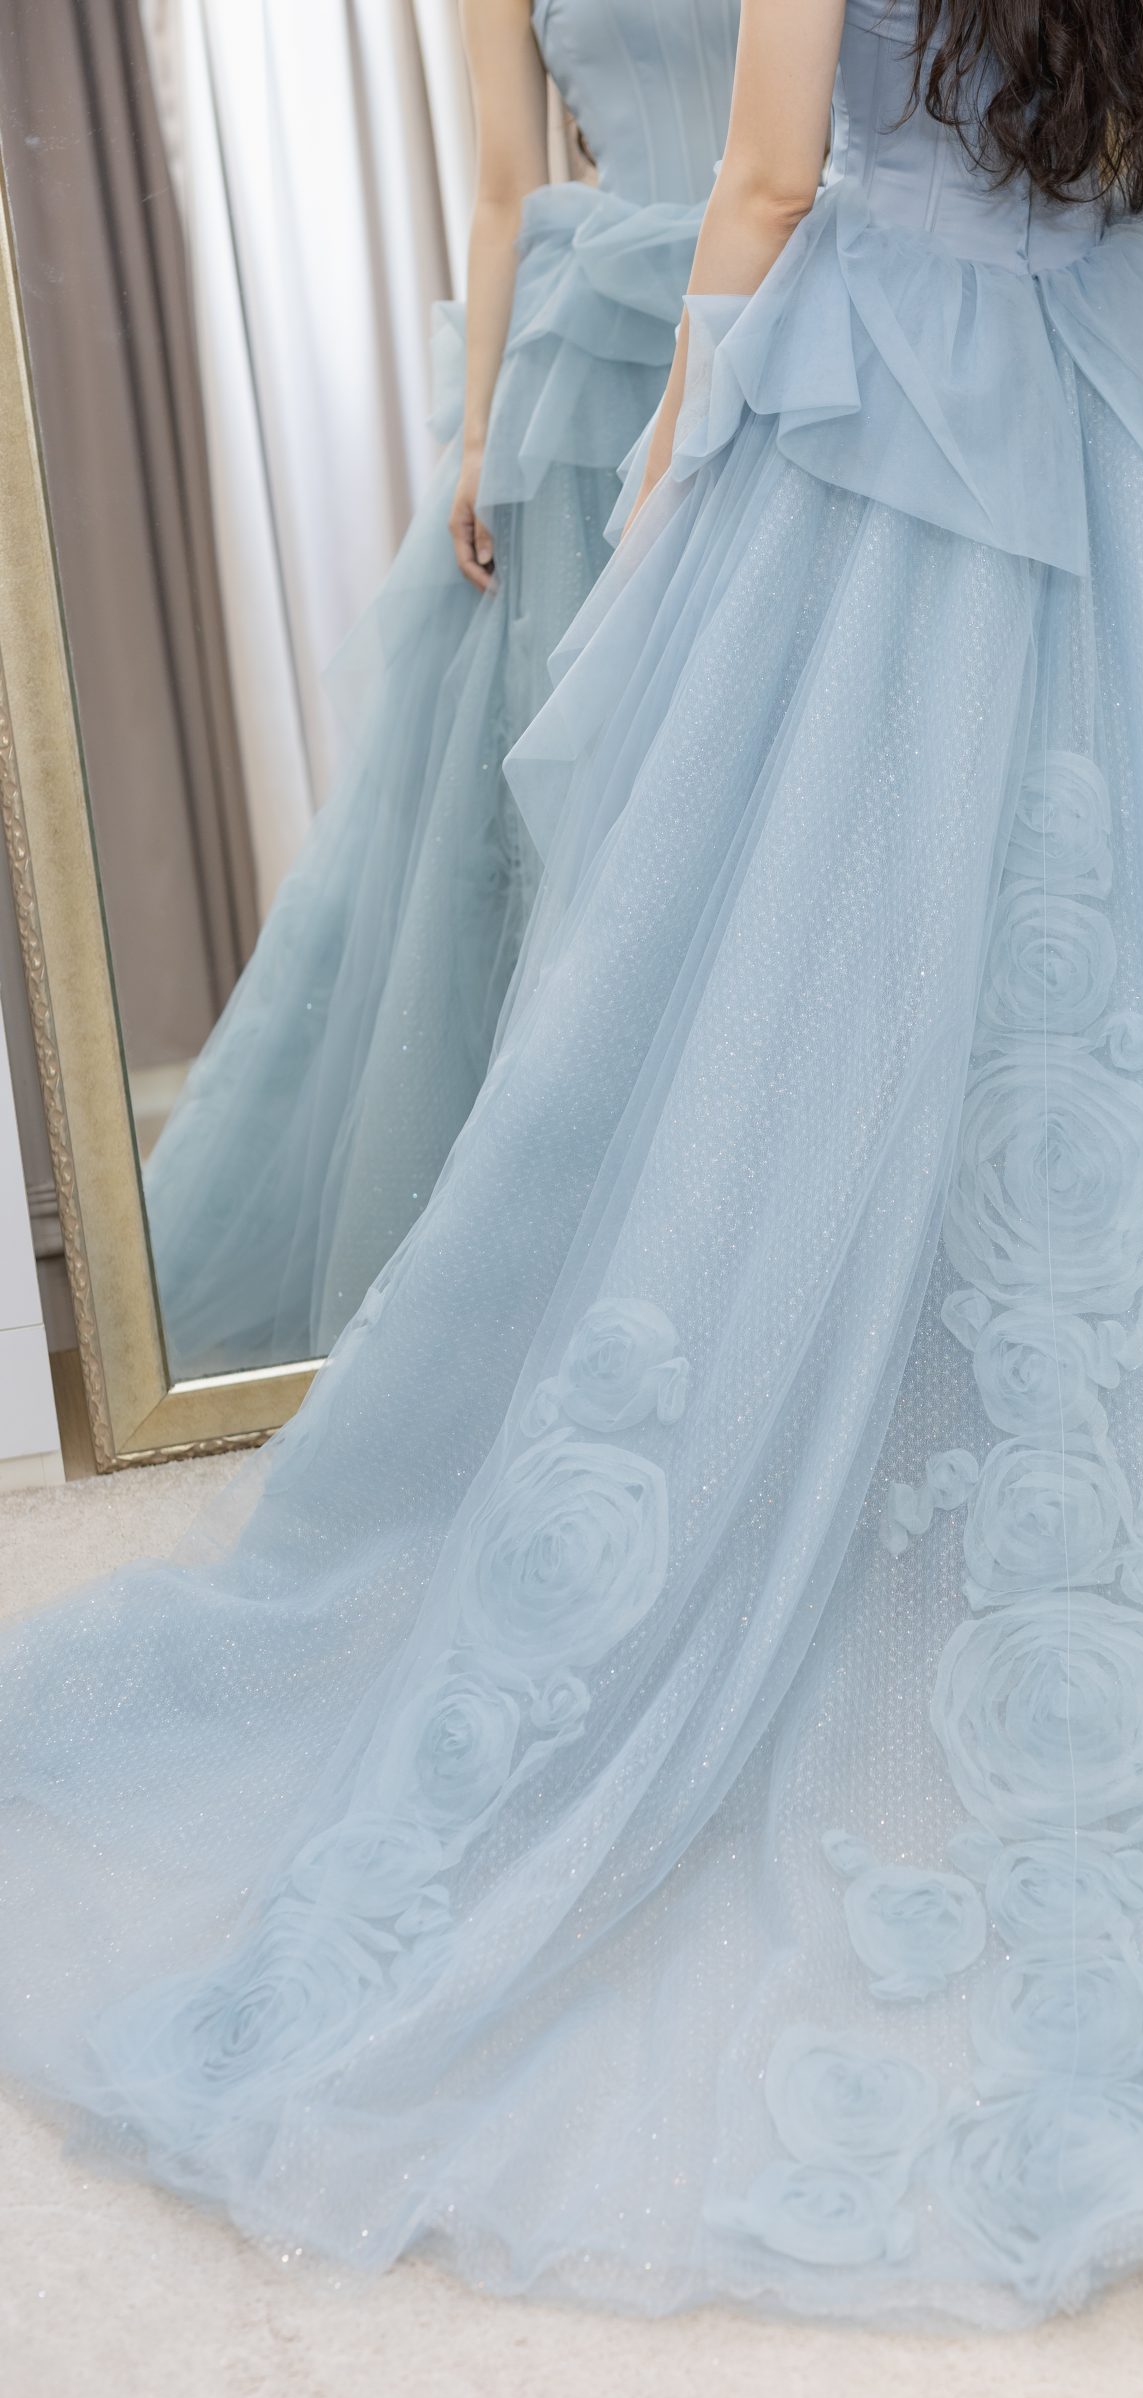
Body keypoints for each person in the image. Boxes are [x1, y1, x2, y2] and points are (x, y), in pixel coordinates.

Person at [6, 0, 1143, 2326]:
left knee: (812, 1048)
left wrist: (675, 455)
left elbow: (771, 174)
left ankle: (867, 1554)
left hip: (886, 414)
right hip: (1114, 384)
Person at [144, 0, 741, 1377]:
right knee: (576, 821)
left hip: (778, 317)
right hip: (595, 370)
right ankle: (569, 1271)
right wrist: (477, 437)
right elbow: (505, 183)